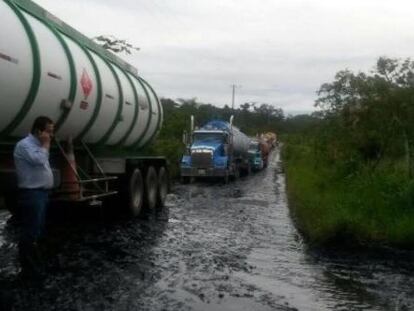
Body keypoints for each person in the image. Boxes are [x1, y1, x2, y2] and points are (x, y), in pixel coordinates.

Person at [13, 116, 54, 280]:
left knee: (37, 230)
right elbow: (39, 160)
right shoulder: (24, 145)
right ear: (39, 131)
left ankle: (35, 265)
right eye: (49, 131)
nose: (52, 135)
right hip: (32, 194)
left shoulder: (37, 145)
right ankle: (28, 270)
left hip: (41, 194)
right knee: (30, 231)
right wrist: (46, 145)